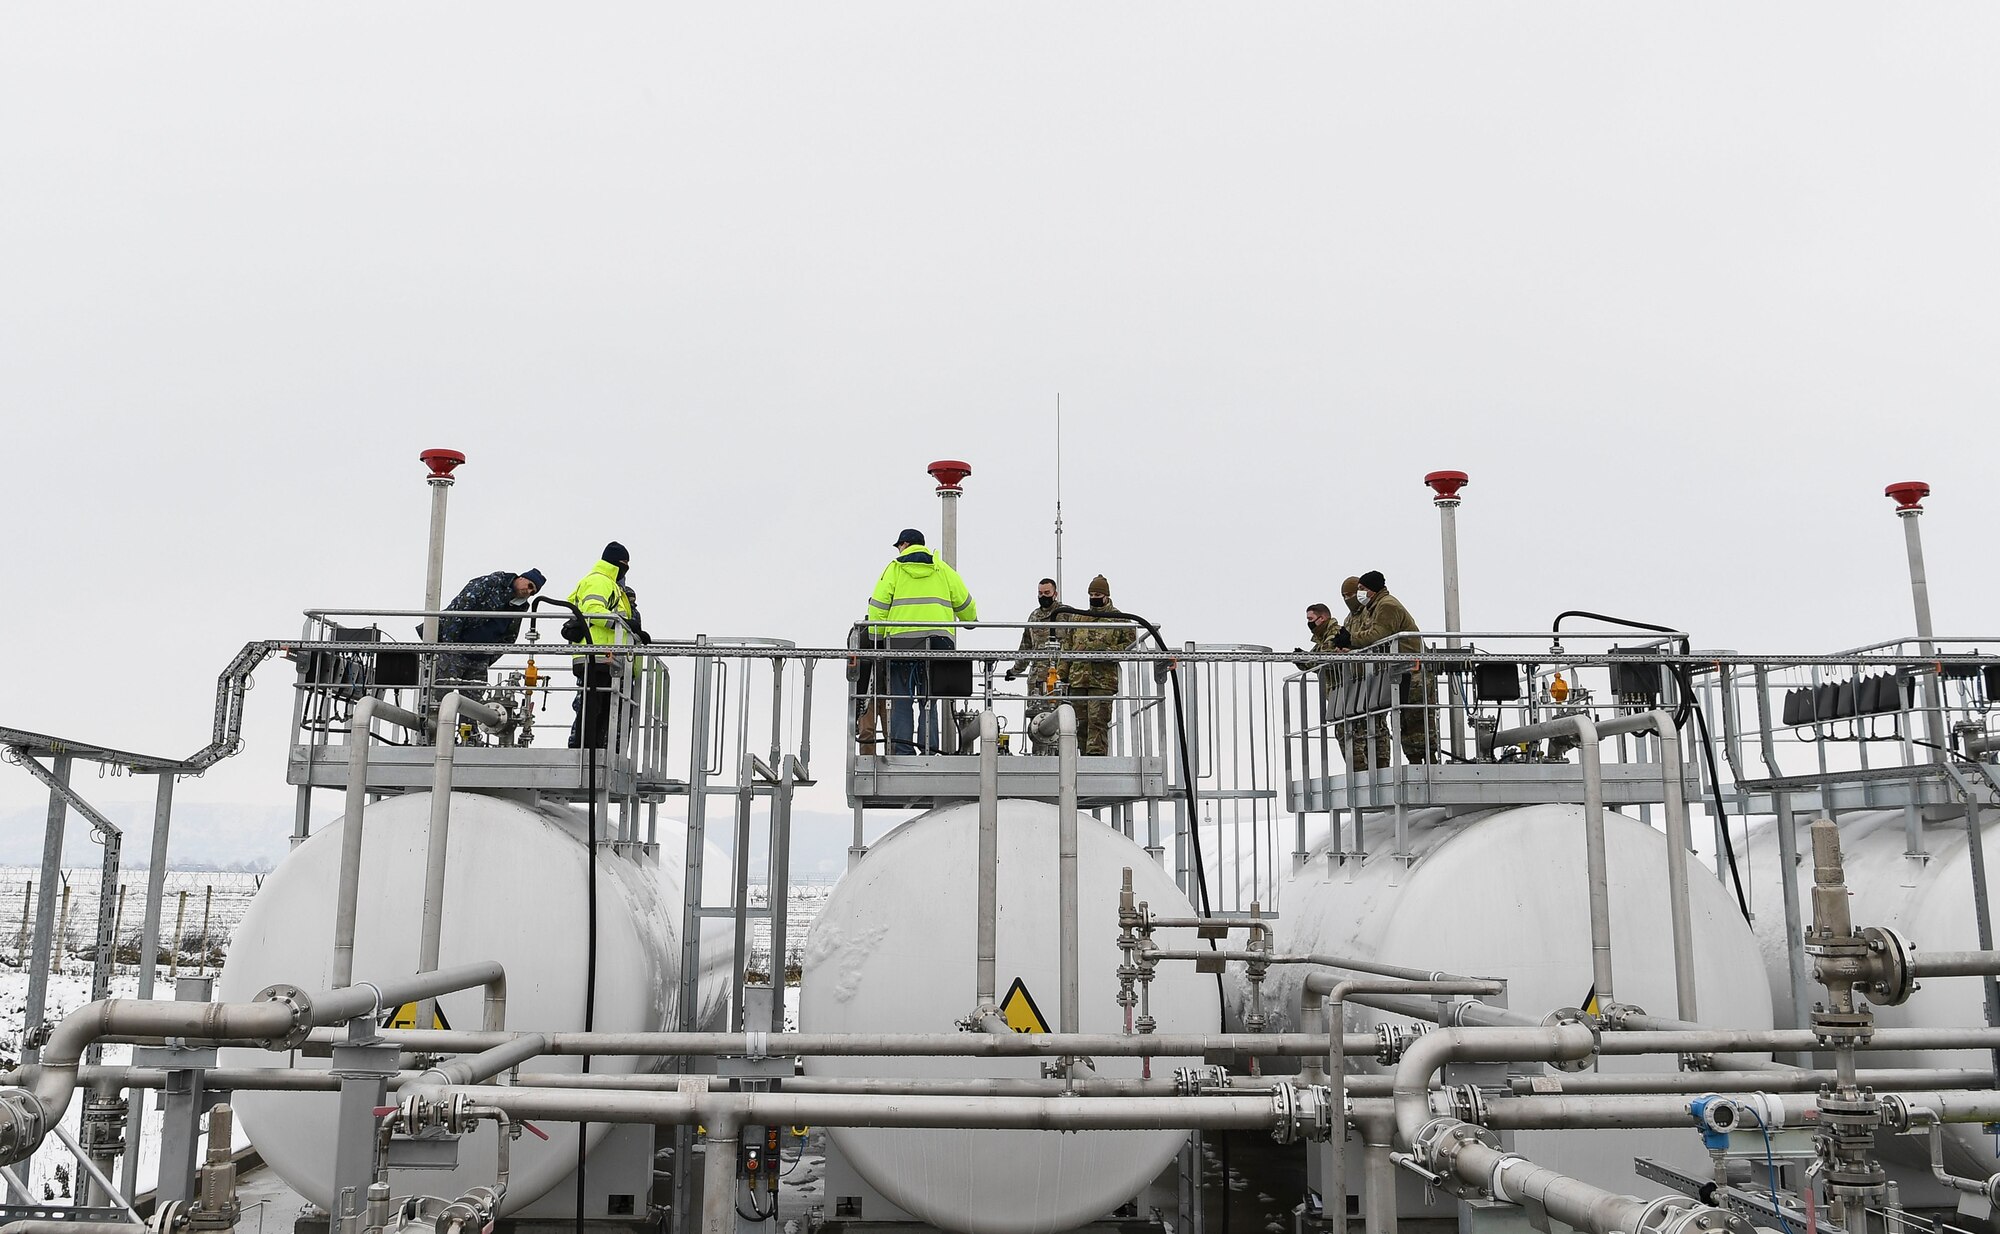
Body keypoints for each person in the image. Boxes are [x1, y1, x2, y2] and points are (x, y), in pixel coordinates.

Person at [863, 529, 977, 755]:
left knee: (901, 701)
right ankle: (929, 749)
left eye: (898, 546)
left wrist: (876, 639)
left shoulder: (894, 570)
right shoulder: (942, 569)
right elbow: (966, 605)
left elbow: (877, 608)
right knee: (930, 701)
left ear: (904, 544)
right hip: (938, 646)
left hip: (900, 645)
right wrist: (970, 621)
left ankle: (903, 751)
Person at [1348, 569, 1434, 764]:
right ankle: (1416, 760)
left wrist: (1351, 639)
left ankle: (1426, 761)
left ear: (1372, 589)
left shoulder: (1387, 605)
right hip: (1402, 668)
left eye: (1361, 588)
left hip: (1414, 669)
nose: (1359, 593)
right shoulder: (1375, 606)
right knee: (1404, 718)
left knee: (1415, 719)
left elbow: (1378, 635)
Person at [567, 542, 636, 750]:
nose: (626, 567)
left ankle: (593, 749)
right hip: (596, 653)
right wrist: (623, 623)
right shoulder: (600, 581)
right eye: (624, 562)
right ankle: (586, 751)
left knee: (601, 707)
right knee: (593, 706)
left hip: (604, 655)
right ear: (615, 562)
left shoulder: (609, 583)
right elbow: (592, 609)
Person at [435, 568, 546, 698]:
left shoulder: (520, 607)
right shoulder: (492, 583)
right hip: (455, 650)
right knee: (438, 699)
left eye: (532, 592)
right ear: (521, 578)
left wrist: (487, 658)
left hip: (480, 659)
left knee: (473, 709)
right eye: (529, 586)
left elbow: (509, 638)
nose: (528, 591)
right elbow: (458, 609)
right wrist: (449, 647)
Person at [1057, 575, 1134, 756]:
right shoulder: (1078, 618)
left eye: (1098, 594)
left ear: (1106, 595)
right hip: (1078, 680)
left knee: (1097, 722)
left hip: (1102, 681)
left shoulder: (1119, 619)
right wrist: (1062, 674)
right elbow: (1067, 646)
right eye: (1091, 594)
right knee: (1080, 723)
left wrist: (1106, 651)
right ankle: (1082, 759)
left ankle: (1096, 760)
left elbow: (1130, 646)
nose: (1094, 598)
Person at [1006, 578, 1063, 755]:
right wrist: (1014, 671)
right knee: (1037, 724)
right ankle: (1038, 759)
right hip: (1037, 681)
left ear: (1055, 593)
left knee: (1060, 722)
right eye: (1040, 593)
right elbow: (1025, 648)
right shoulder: (1034, 616)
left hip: (1060, 679)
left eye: (1047, 593)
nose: (1043, 596)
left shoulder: (1066, 615)